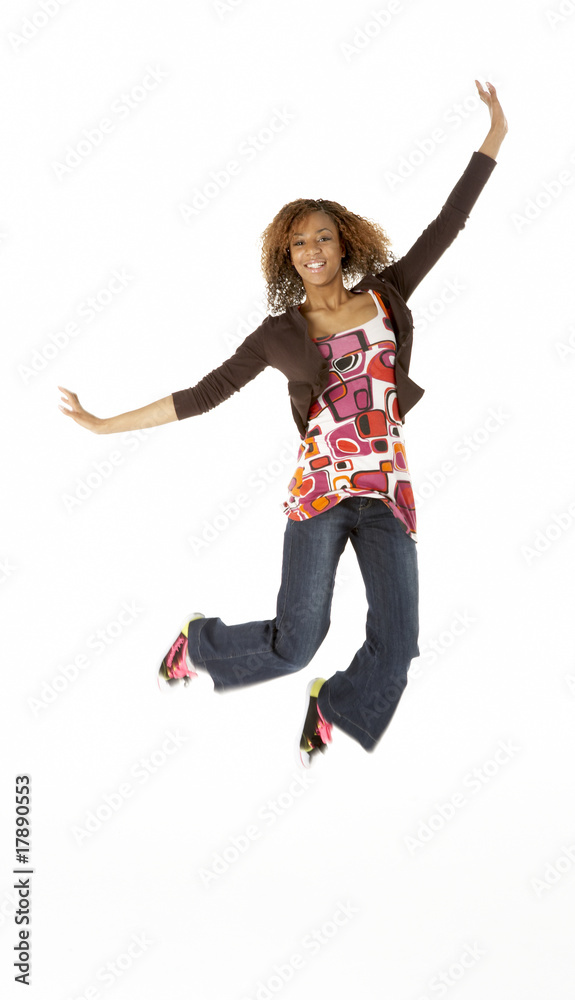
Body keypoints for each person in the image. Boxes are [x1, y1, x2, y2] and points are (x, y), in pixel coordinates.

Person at [59, 80, 508, 767]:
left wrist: (493, 137)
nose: (313, 248)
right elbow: (202, 394)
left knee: (400, 639)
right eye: (299, 242)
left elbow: (446, 225)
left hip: (387, 492)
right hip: (321, 495)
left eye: (323, 236)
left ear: (344, 243)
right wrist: (101, 424)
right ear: (286, 256)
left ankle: (336, 705)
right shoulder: (278, 333)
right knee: (296, 643)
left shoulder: (386, 296)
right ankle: (198, 644)